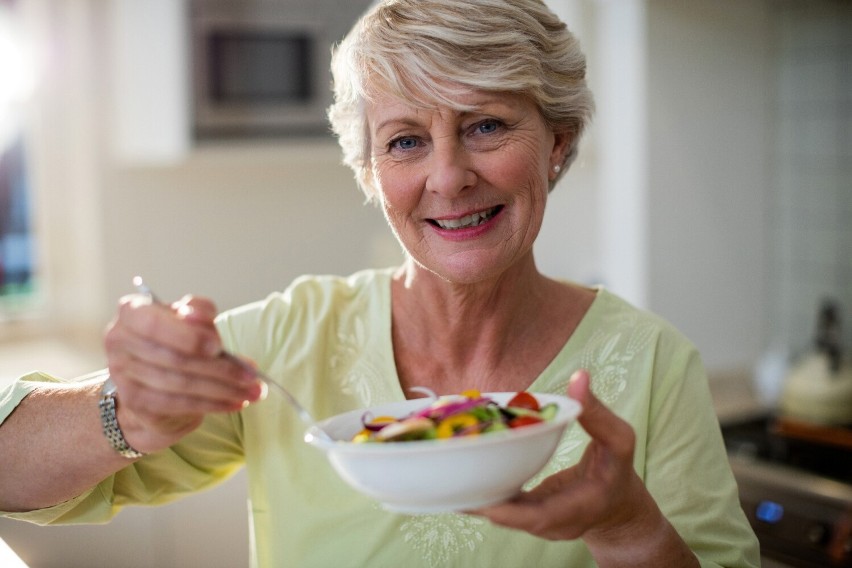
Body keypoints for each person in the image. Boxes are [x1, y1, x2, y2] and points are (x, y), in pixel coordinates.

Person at [0, 1, 760, 566]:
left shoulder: (655, 364)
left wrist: (629, 527)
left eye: (487, 125)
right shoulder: (291, 340)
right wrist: (126, 410)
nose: (449, 176)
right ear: (370, 173)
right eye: (405, 141)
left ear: (557, 143)